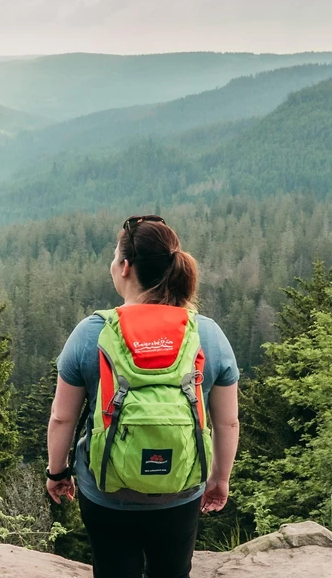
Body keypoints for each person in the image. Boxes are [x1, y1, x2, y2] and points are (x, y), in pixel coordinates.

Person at [45, 215, 241, 578]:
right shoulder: (207, 334)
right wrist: (219, 478)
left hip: (106, 493)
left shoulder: (93, 333)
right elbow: (226, 420)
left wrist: (57, 472)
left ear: (124, 267)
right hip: (180, 490)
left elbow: (62, 417)